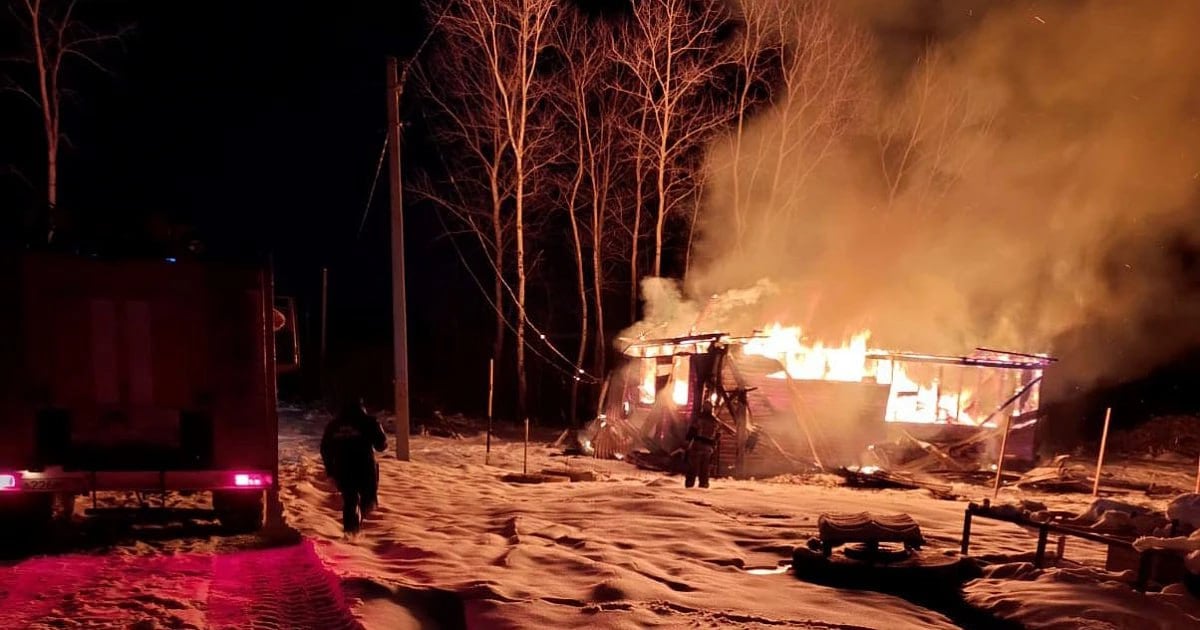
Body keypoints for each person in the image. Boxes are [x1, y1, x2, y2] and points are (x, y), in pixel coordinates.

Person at [320, 398, 387, 535]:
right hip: (365, 468)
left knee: (350, 498)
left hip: (342, 468)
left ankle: (350, 532)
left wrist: (330, 470)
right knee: (368, 500)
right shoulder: (369, 422)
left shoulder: (334, 425)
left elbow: (325, 449)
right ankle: (355, 528)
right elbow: (381, 445)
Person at [684, 403, 719, 489]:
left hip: (698, 445)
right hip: (708, 447)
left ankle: (689, 484)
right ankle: (704, 484)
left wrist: (687, 442)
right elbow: (718, 435)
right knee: (705, 467)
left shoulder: (699, 418)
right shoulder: (715, 421)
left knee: (693, 466)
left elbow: (692, 430)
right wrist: (714, 445)